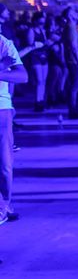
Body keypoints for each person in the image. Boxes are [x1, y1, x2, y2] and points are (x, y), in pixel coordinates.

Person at [0, 27, 29, 224]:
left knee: (4, 163)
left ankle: (4, 205)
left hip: (1, 108)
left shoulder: (3, 43)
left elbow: (22, 76)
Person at [62, 7, 78, 120]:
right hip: (75, 62)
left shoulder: (73, 28)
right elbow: (73, 47)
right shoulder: (71, 27)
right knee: (75, 87)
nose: (77, 13)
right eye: (74, 12)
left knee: (77, 86)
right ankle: (73, 111)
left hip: (75, 61)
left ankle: (75, 109)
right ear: (69, 16)